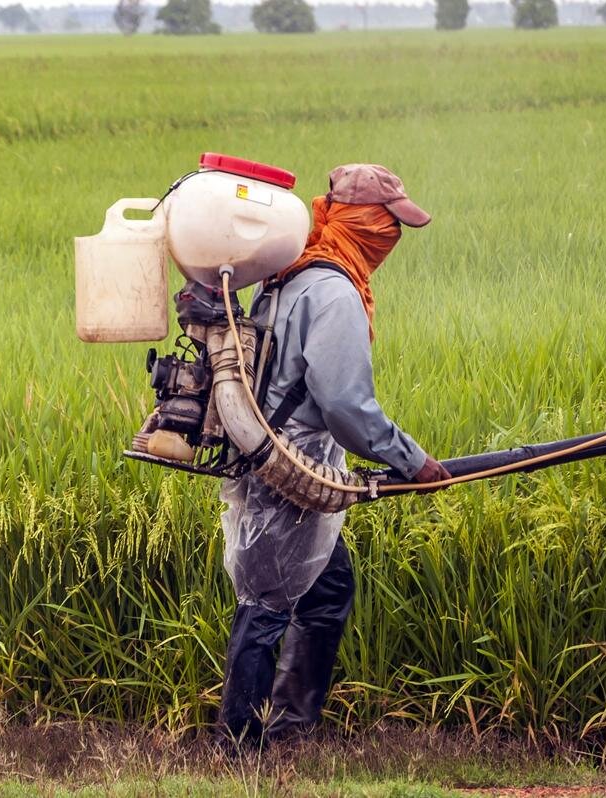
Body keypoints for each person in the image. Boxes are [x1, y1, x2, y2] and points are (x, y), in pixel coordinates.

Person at [217, 163, 451, 746]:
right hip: (290, 471)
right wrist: (412, 461)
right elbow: (346, 407)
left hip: (270, 454)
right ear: (363, 222)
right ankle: (236, 748)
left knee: (326, 589)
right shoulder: (334, 291)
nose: (392, 239)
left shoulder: (290, 275)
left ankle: (293, 732)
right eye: (388, 225)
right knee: (268, 603)